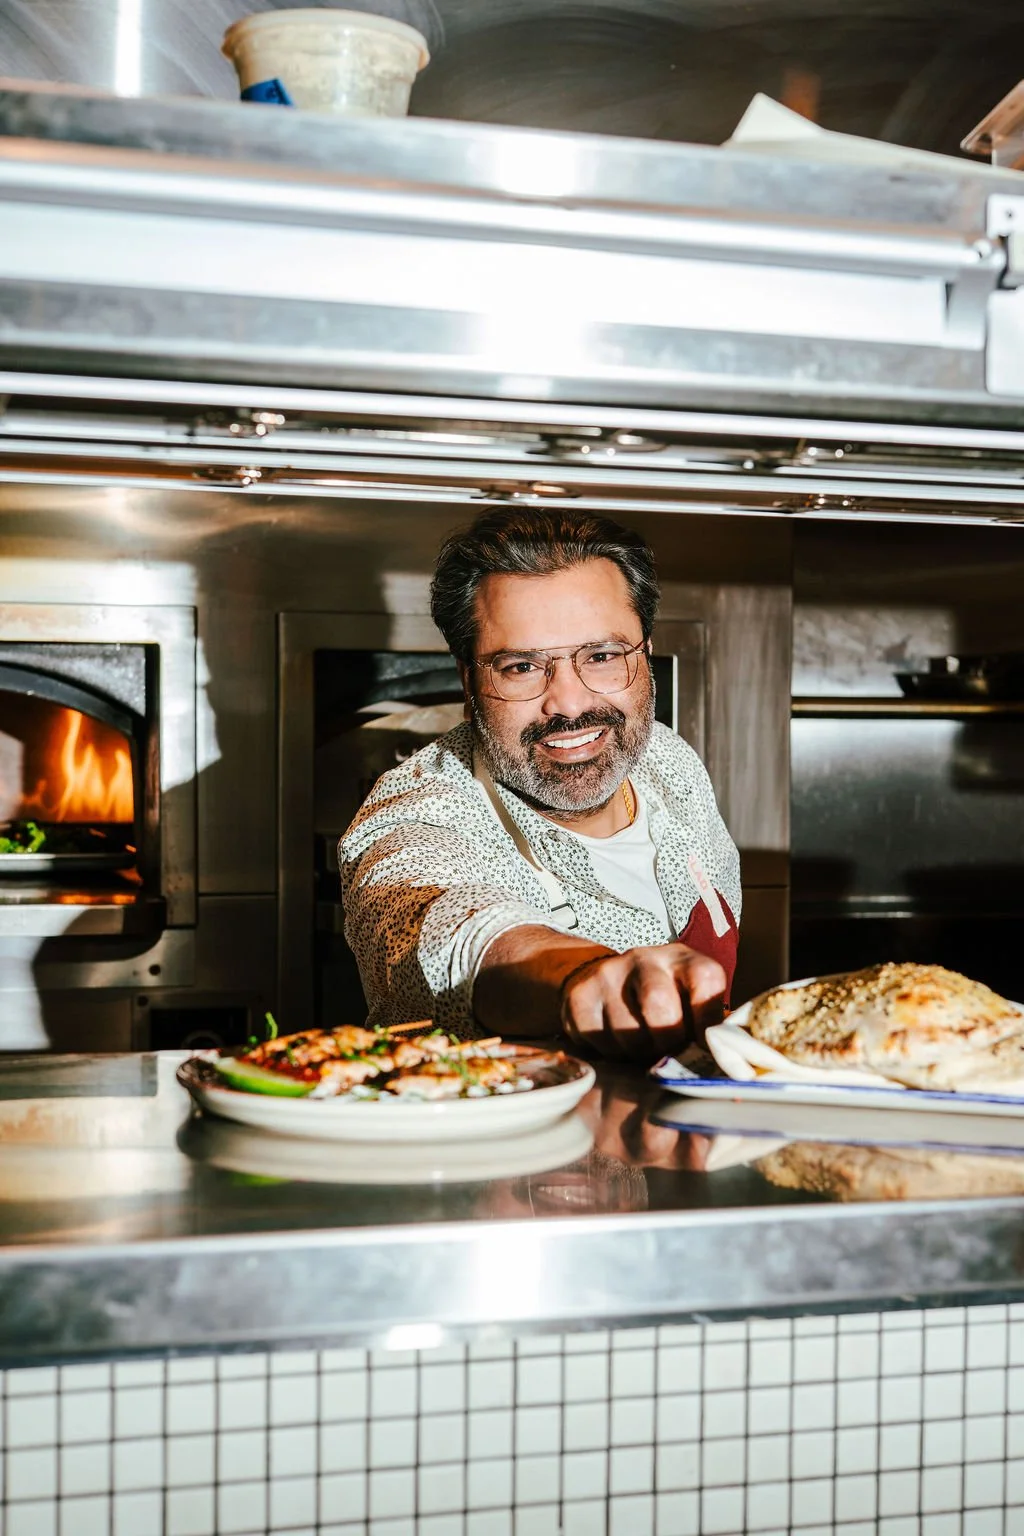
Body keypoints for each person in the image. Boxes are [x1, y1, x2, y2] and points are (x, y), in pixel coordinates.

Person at [340, 508, 740, 1063]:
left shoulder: (667, 761)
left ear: (644, 656)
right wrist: (586, 976)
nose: (570, 704)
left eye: (602, 657)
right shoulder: (417, 813)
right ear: (469, 679)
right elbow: (438, 927)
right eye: (522, 667)